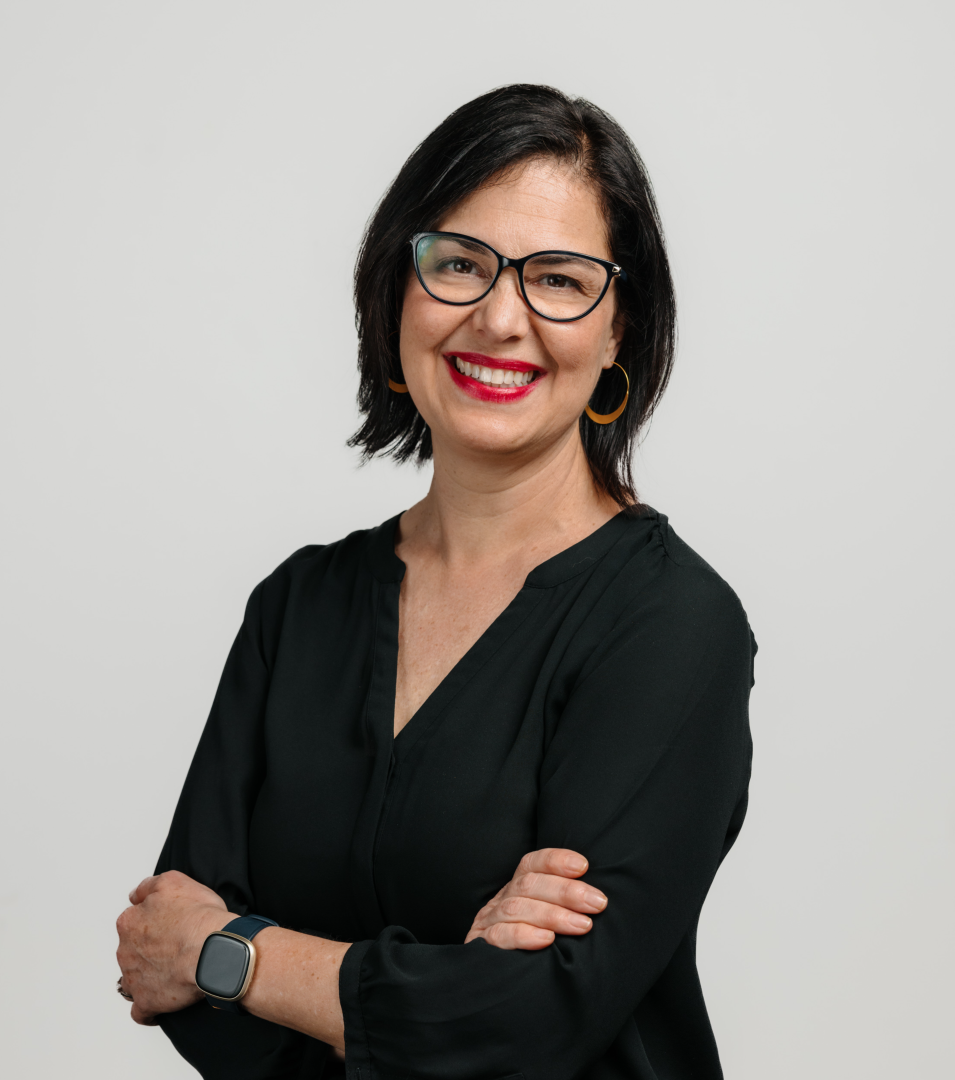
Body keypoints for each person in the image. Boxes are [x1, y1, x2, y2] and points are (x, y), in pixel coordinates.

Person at [113, 84, 754, 1080]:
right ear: (396, 292)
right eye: (459, 263)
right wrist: (446, 986)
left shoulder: (672, 625)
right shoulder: (299, 608)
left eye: (559, 278)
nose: (501, 317)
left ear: (619, 327)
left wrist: (232, 953)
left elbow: (537, 1021)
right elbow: (165, 963)